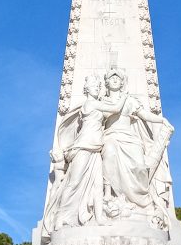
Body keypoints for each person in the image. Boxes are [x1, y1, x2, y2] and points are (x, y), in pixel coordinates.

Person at [43, 75, 124, 232]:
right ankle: (60, 217)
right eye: (94, 86)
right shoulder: (91, 103)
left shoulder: (97, 105)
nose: (97, 89)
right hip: (83, 147)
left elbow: (109, 115)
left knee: (98, 184)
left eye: (98, 87)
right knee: (74, 183)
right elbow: (115, 109)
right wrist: (124, 96)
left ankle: (99, 217)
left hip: (95, 148)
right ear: (87, 89)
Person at [100, 68, 173, 218]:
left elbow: (144, 115)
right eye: (112, 78)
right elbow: (106, 115)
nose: (115, 80)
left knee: (140, 166)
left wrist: (161, 119)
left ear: (122, 83)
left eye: (118, 78)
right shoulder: (102, 101)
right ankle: (108, 193)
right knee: (109, 151)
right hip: (111, 135)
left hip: (130, 138)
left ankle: (140, 201)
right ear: (106, 82)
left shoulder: (130, 100)